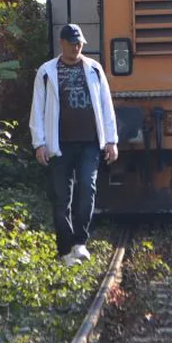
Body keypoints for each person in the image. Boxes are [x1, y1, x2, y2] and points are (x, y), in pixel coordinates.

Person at [29, 24, 119, 266]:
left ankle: (80, 242)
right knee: (61, 197)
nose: (76, 47)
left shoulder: (94, 69)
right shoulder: (47, 71)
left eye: (79, 43)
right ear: (62, 43)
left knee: (87, 190)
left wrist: (111, 140)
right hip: (59, 144)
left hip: (90, 142)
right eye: (72, 43)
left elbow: (106, 106)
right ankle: (65, 250)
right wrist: (39, 143)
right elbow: (37, 109)